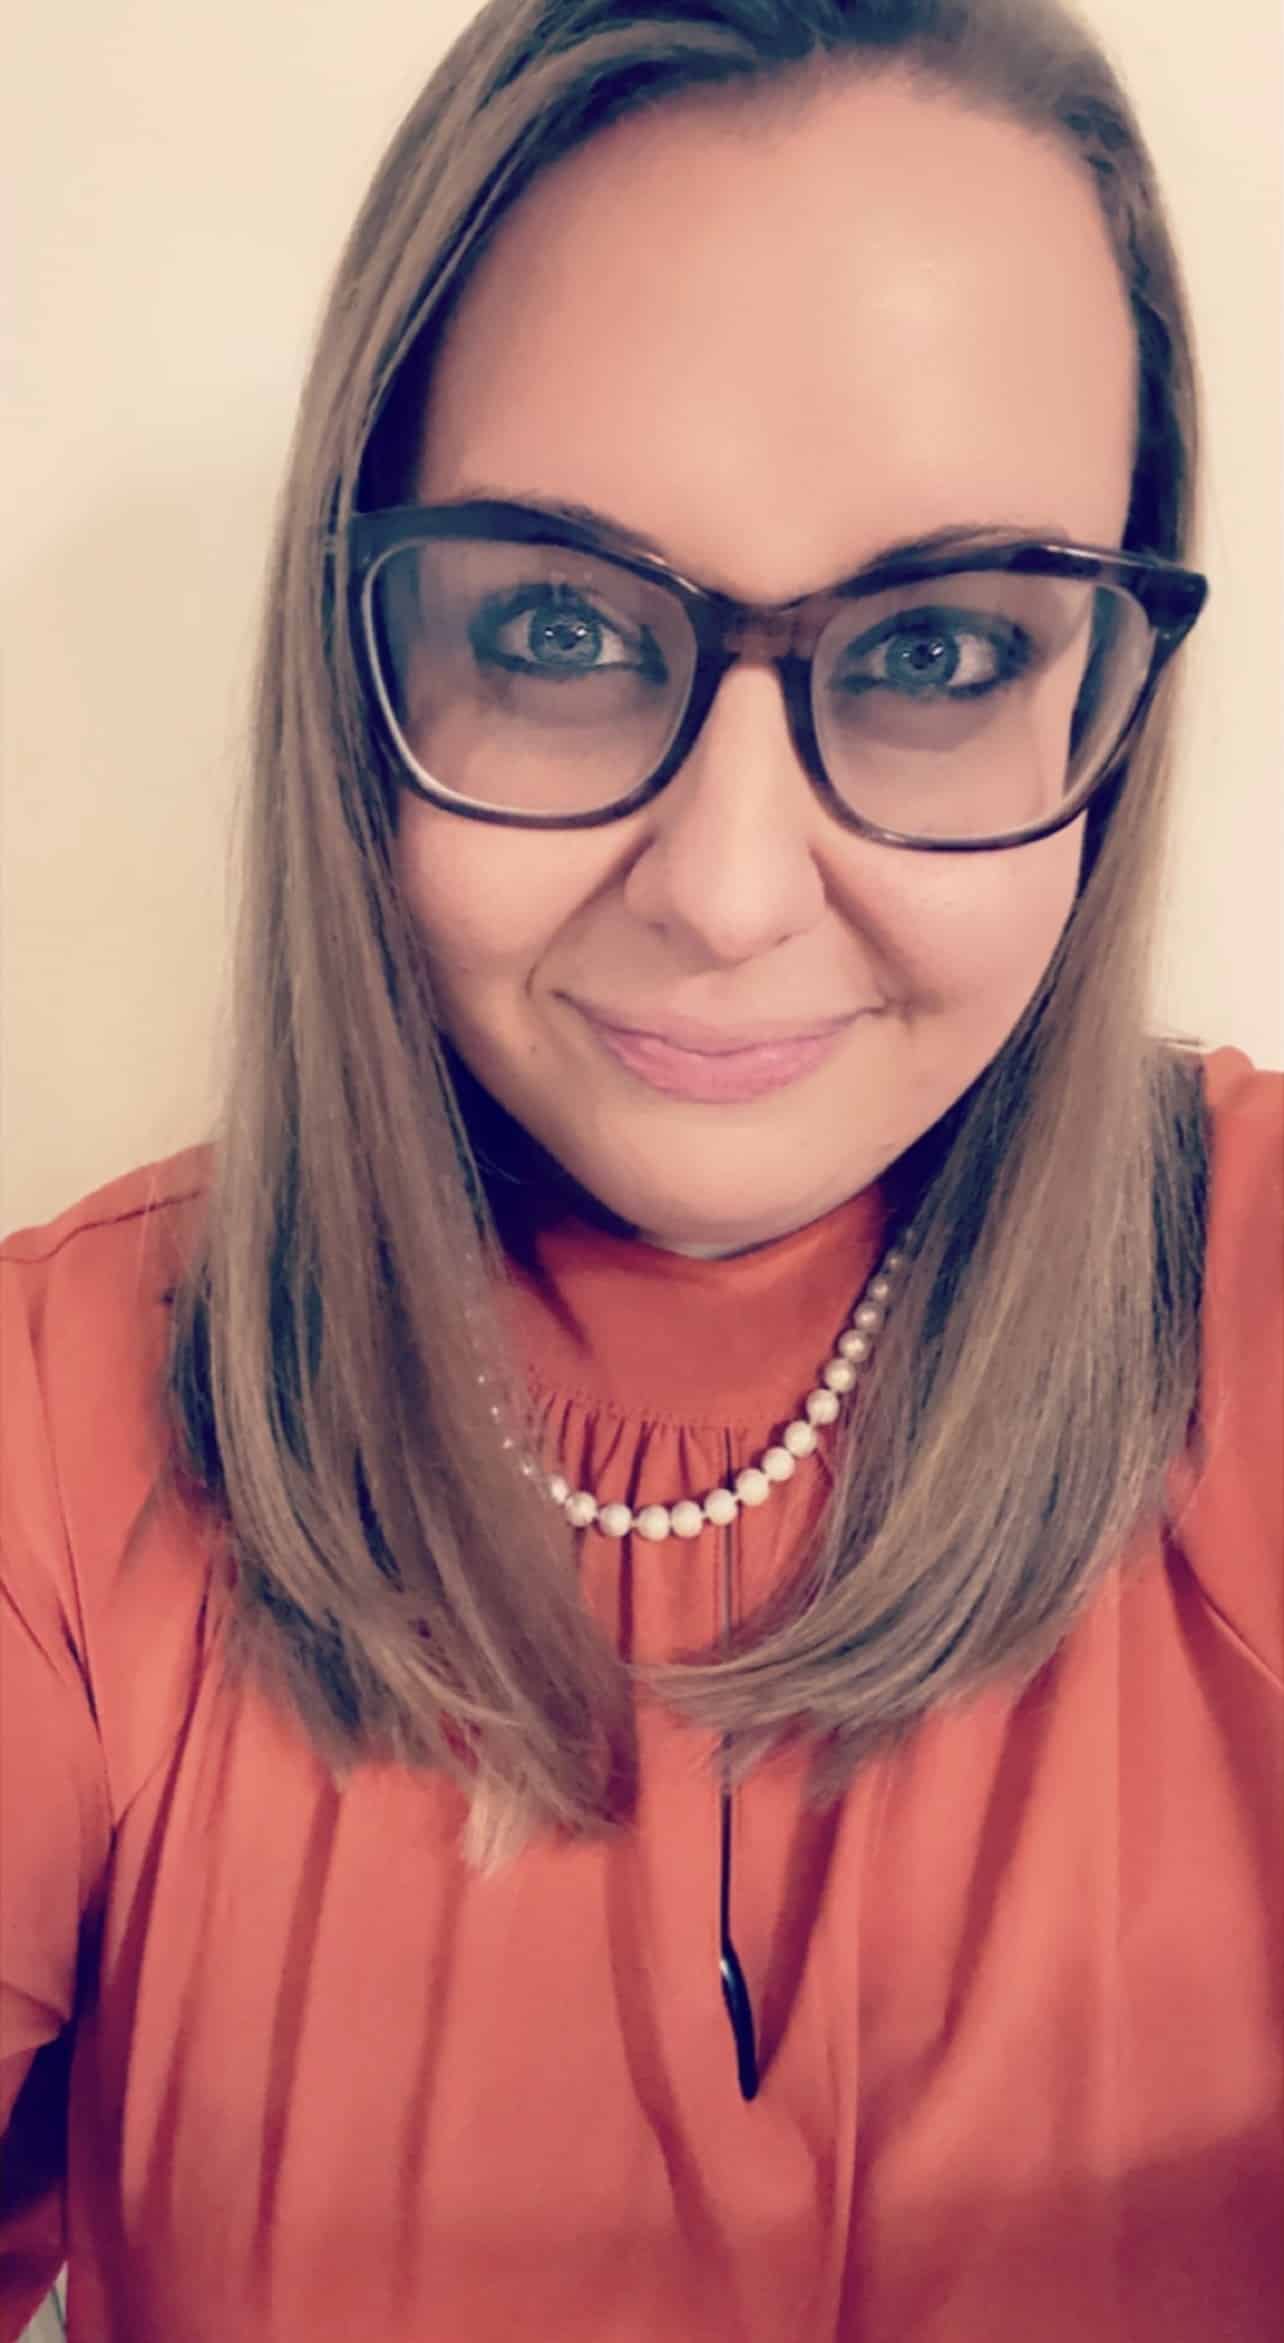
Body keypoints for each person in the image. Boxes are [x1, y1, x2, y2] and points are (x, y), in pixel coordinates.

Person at [2, 0, 1280, 2335]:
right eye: (562, 627)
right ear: (356, 654)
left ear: (1112, 698)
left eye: (940, 645)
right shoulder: (58, 1417)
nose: (723, 884)